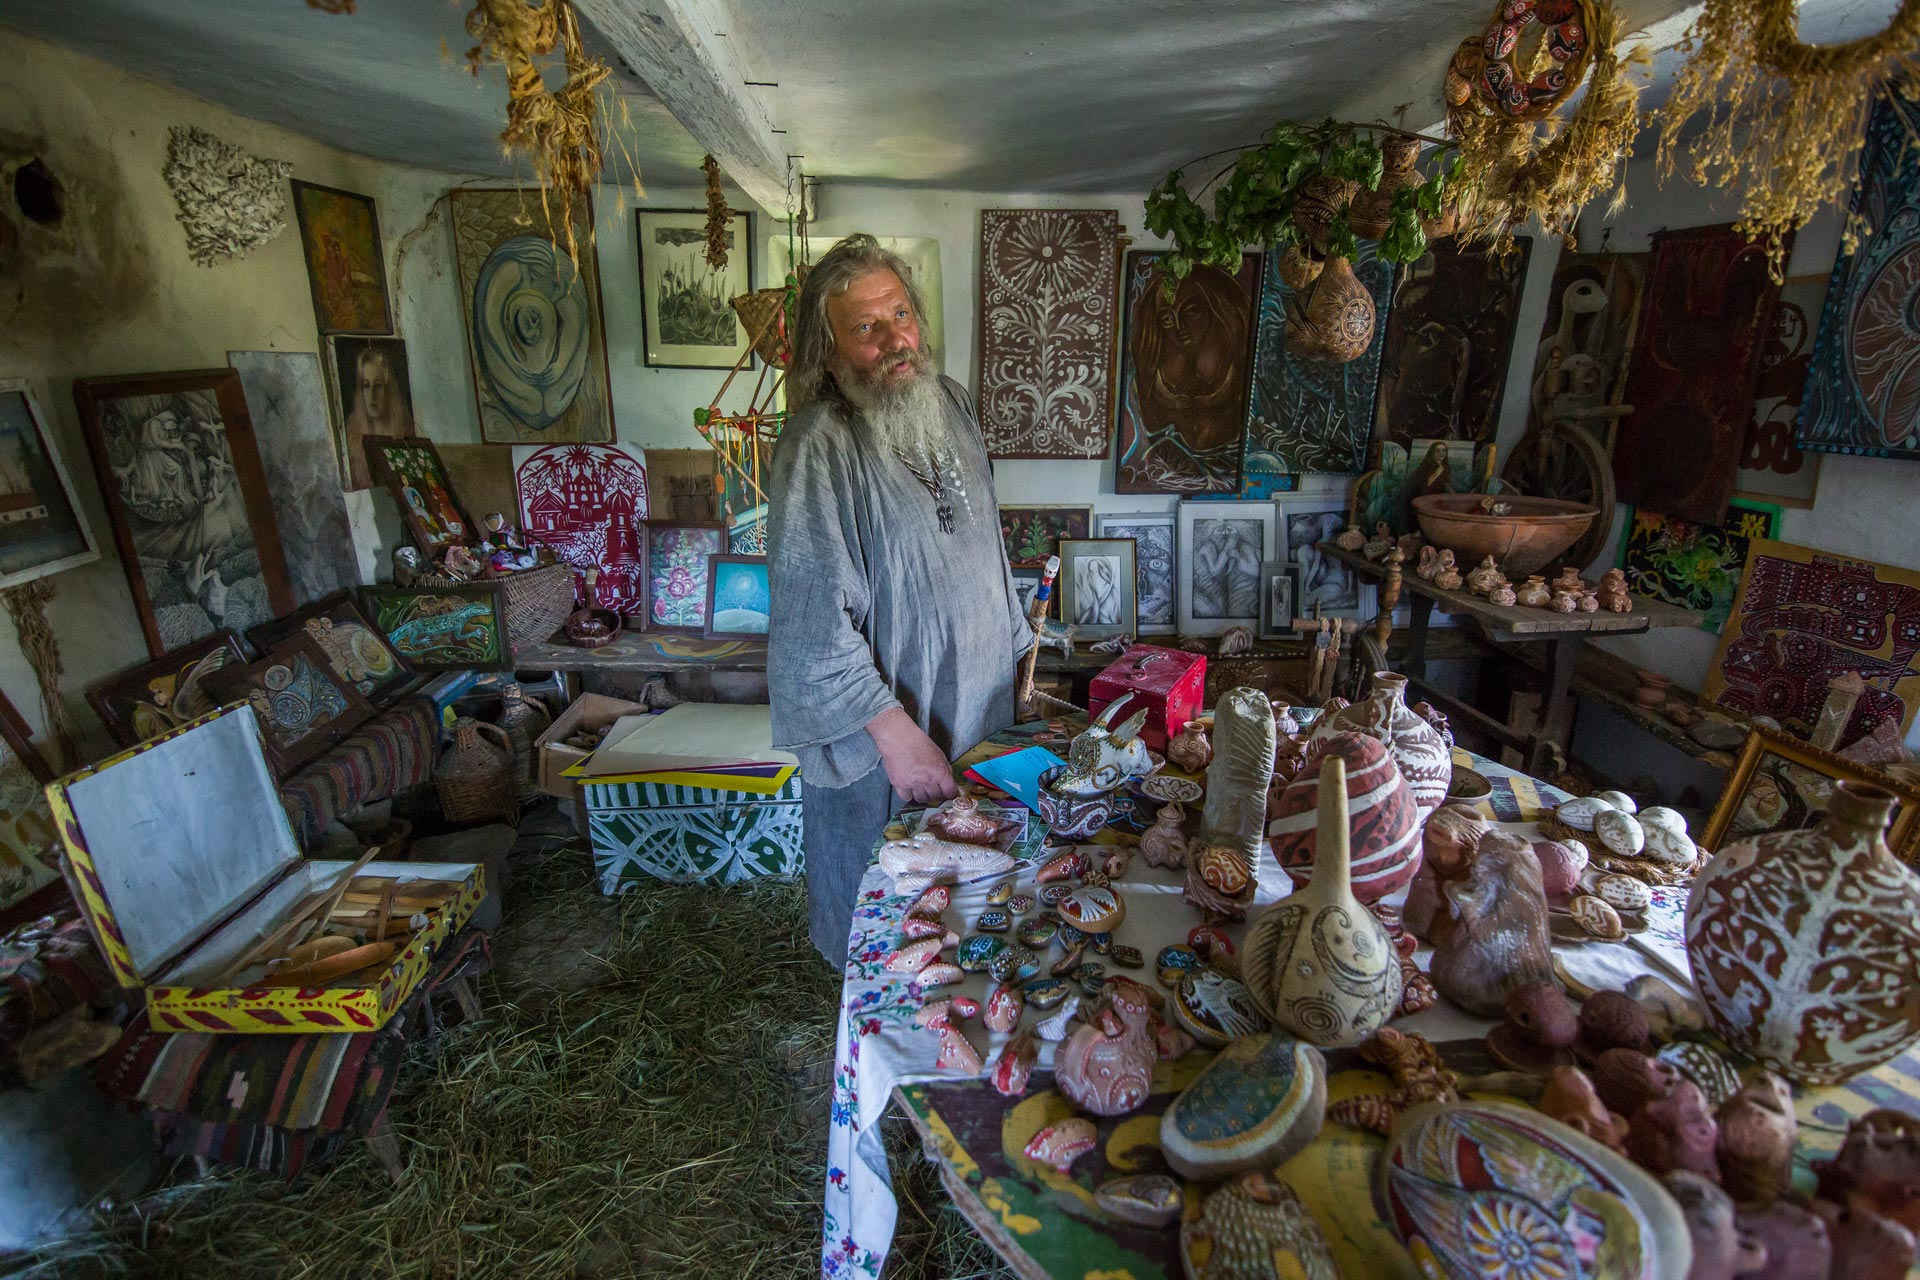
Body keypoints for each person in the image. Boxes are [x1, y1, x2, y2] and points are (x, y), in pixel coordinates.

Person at [767, 234, 1032, 965]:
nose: (895, 339)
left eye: (901, 313)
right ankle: (874, 1056)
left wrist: (1015, 647)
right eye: (865, 327)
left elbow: (982, 541)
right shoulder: (819, 444)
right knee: (891, 929)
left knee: (974, 914)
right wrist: (896, 737)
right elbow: (810, 624)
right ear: (828, 352)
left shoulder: (948, 403)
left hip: (981, 711)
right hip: (894, 741)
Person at [343, 343, 414, 489]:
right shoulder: (351, 434)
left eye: (378, 385)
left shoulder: (405, 428)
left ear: (388, 389)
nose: (372, 395)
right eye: (366, 386)